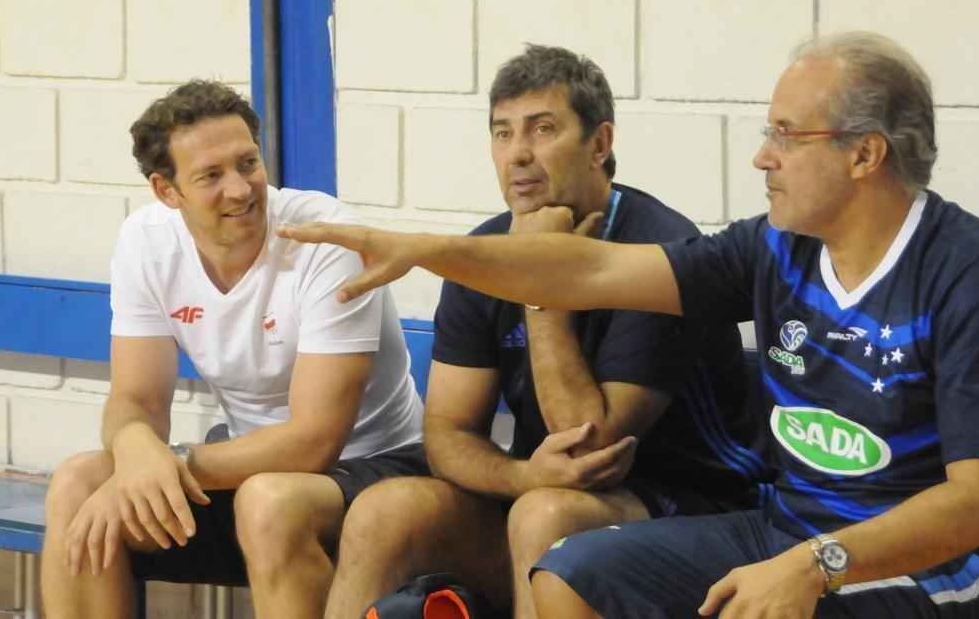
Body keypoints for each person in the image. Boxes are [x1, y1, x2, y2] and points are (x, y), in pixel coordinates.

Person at [279, 32, 979, 619]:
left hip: (953, 565)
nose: (762, 157)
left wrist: (815, 564)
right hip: (794, 526)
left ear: (866, 155)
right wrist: (420, 250)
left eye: (787, 135)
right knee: (569, 573)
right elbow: (583, 270)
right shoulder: (773, 246)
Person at [323, 45, 768, 619]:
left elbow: (588, 441)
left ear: (600, 145)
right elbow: (447, 432)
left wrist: (537, 288)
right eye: (502, 134)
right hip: (544, 489)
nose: (519, 155)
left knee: (548, 517)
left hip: (696, 505)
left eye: (542, 130)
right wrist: (520, 473)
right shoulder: (480, 254)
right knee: (384, 512)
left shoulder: (660, 250)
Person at [41, 80, 426, 619]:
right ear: (166, 191)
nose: (241, 190)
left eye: (248, 164)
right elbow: (136, 399)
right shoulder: (145, 242)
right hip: (248, 468)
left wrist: (170, 461)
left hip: (378, 469)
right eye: (211, 176)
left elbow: (315, 442)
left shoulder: (325, 238)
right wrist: (133, 454)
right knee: (78, 486)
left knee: (268, 502)